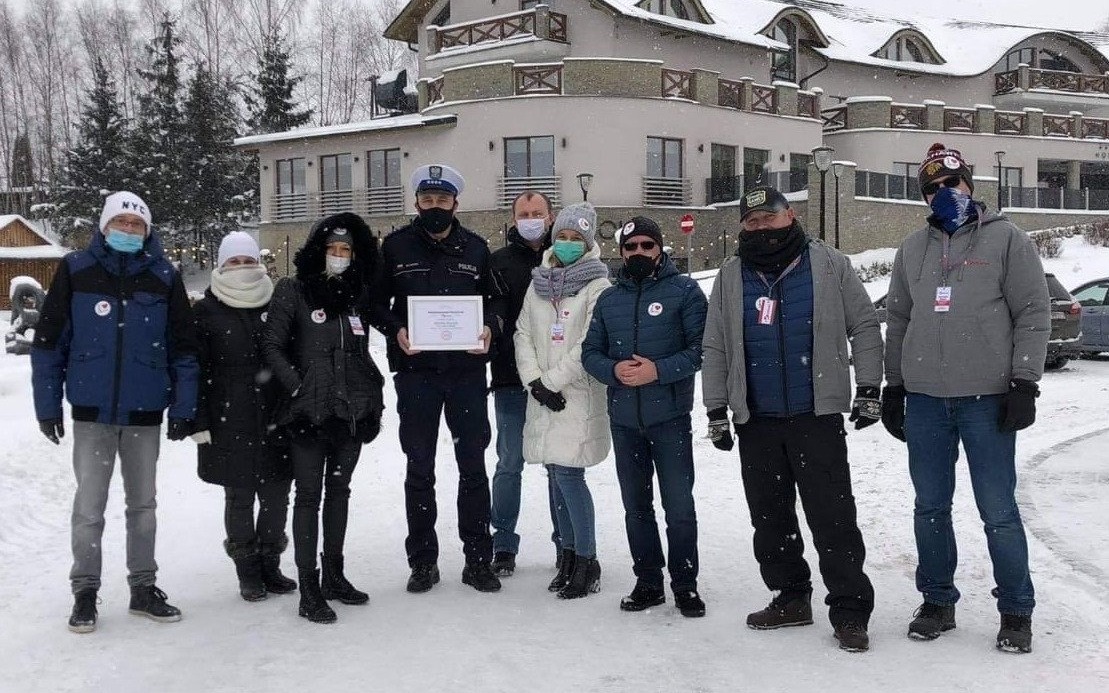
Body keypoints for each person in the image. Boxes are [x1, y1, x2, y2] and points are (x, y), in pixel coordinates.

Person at [882, 143, 1050, 654]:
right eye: (932, 189)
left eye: (951, 184)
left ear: (969, 186)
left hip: (988, 400)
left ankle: (1016, 610)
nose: (943, 193)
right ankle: (937, 601)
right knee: (930, 506)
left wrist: (1024, 382)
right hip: (927, 400)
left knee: (997, 508)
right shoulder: (912, 249)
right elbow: (900, 320)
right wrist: (894, 385)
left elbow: (1033, 311)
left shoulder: (1007, 240)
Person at [701, 186, 881, 653]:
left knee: (833, 516)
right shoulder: (731, 274)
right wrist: (716, 409)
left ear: (790, 215)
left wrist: (868, 388)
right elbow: (716, 345)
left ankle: (849, 610)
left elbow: (863, 324)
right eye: (752, 220)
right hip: (756, 419)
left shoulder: (827, 264)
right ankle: (791, 597)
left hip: (815, 415)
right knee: (770, 516)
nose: (760, 226)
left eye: (768, 216)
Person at [31, 191, 198, 634]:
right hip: (91, 412)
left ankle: (143, 587)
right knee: (90, 506)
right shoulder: (76, 270)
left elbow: (184, 348)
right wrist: (47, 405)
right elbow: (49, 344)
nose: (128, 230)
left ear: (147, 231)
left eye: (136, 224)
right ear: (104, 227)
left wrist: (184, 405)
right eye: (120, 222)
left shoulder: (164, 276)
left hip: (144, 413)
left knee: (142, 505)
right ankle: (85, 590)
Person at [369, 164, 502, 594]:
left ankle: (478, 559)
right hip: (417, 374)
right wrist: (396, 330)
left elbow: (497, 303)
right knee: (419, 467)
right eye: (428, 201)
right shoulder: (395, 247)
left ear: (455, 204)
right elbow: (374, 304)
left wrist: (490, 328)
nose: (435, 207)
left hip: (465, 374)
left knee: (473, 468)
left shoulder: (477, 250)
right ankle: (423, 561)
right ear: (417, 204)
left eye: (442, 201)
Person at [262, 212, 386, 624]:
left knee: (340, 493)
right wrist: (296, 385)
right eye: (332, 249)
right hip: (307, 413)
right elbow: (273, 345)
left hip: (350, 410)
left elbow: (363, 347)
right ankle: (309, 584)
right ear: (318, 251)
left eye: (345, 250)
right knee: (309, 495)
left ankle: (335, 573)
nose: (338, 256)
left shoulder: (357, 294)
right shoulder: (293, 290)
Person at [581, 216, 707, 618]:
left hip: (669, 417)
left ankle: (685, 584)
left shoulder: (684, 292)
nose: (638, 253)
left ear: (660, 249)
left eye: (646, 246)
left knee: (679, 506)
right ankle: (648, 581)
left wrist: (658, 370)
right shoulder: (609, 299)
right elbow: (590, 353)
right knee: (636, 506)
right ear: (621, 252)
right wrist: (612, 370)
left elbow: (701, 349)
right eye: (630, 247)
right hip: (624, 421)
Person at [192, 232, 296, 602]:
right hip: (228, 416)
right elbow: (196, 368)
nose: (241, 267)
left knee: (277, 494)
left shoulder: (280, 302)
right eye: (233, 261)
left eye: (247, 260)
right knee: (239, 496)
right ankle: (247, 570)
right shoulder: (205, 311)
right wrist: (198, 419)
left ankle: (271, 563)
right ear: (221, 265)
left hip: (277, 413)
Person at [514, 202, 611, 598]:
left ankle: (587, 560)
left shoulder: (598, 285)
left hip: (576, 392)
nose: (568, 244)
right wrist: (534, 382)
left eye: (577, 238)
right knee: (554, 475)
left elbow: (590, 342)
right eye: (564, 237)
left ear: (588, 244)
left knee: (570, 475)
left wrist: (551, 381)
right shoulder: (538, 282)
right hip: (541, 393)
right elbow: (522, 334)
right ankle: (568, 554)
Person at [488, 190, 562, 577]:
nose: (530, 218)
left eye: (537, 212)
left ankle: (564, 541)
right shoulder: (498, 262)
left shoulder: (566, 258)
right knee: (510, 462)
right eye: (523, 213)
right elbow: (492, 311)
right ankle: (502, 543)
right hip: (509, 380)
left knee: (558, 464)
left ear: (551, 216)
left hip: (555, 381)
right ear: (514, 218)